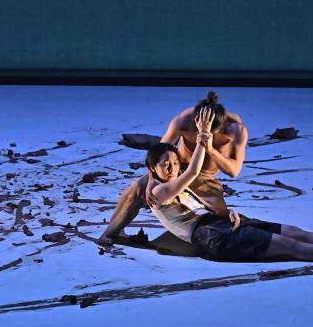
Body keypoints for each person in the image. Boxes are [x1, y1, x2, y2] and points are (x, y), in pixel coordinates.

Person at [143, 108, 313, 262]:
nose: (173, 168)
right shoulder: (159, 192)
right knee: (287, 244)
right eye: (165, 165)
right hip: (211, 235)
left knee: (294, 232)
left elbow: (199, 205)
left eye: (175, 163)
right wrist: (204, 139)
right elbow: (193, 171)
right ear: (154, 168)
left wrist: (227, 212)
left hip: (218, 222)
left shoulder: (166, 181)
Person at [99, 91, 247, 246]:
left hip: (207, 182)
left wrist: (209, 148)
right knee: (138, 186)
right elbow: (158, 153)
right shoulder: (183, 120)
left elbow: (234, 171)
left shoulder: (236, 129)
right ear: (195, 121)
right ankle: (111, 232)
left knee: (221, 221)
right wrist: (151, 178)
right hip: (176, 171)